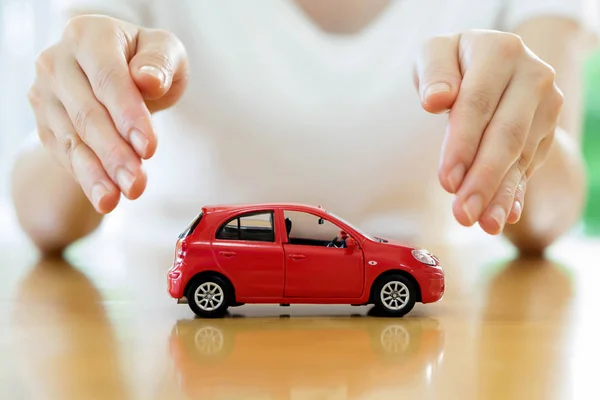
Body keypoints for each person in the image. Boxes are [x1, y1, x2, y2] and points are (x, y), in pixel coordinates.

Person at [9, 0, 596, 255]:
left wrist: (517, 135)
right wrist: (100, 116)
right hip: (160, 328)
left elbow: (548, 212)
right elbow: (44, 213)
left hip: (440, 343)